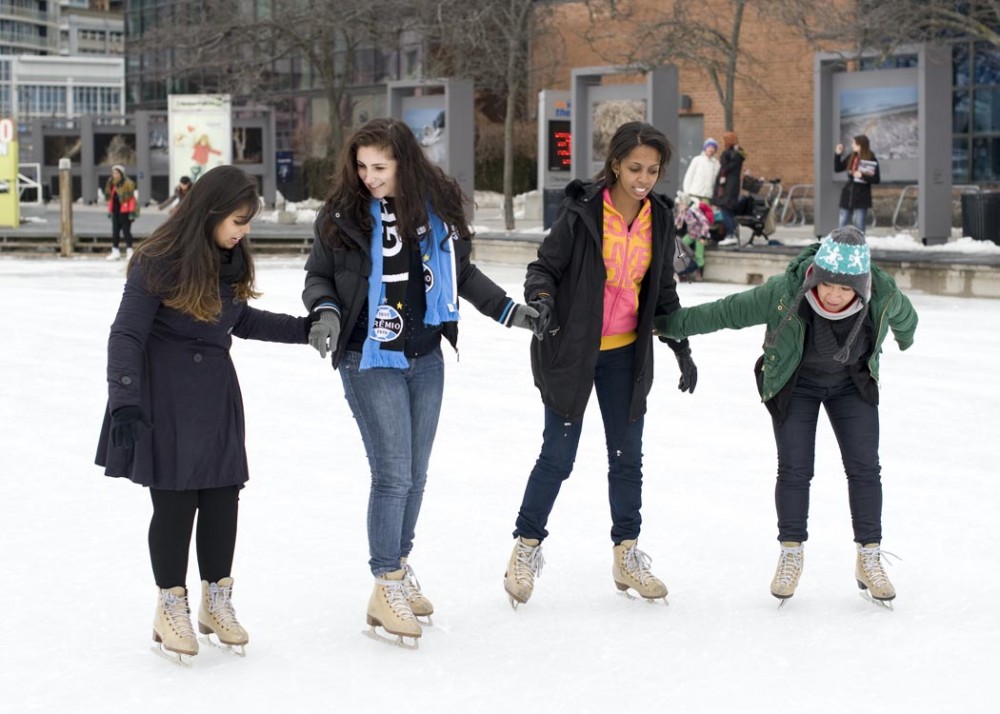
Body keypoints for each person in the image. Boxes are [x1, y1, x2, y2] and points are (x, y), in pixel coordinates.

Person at [301, 117, 538, 647]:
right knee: (392, 474)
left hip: (425, 354)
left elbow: (463, 274)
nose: (368, 177)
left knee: (417, 473)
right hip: (368, 355)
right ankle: (385, 582)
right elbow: (319, 275)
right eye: (361, 167)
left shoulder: (438, 212)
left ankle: (398, 568)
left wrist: (509, 312)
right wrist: (326, 312)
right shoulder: (343, 215)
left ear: (403, 163)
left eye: (379, 167)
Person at [95, 165, 314, 663]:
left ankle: (217, 602)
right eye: (239, 220)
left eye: (247, 221)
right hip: (163, 398)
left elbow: (243, 320)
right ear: (212, 213)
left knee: (222, 499)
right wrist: (124, 399)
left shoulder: (229, 259)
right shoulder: (157, 260)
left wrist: (306, 330)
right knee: (175, 504)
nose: (244, 230)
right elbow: (125, 333)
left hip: (215, 395)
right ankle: (170, 604)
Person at [654, 226, 917, 606]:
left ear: (860, 287)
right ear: (816, 275)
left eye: (845, 290)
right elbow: (725, 312)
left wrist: (904, 339)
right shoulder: (785, 292)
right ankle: (791, 553)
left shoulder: (883, 292)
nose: (834, 295)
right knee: (794, 469)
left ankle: (869, 557)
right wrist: (662, 325)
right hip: (798, 384)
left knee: (864, 469)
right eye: (828, 285)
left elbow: (906, 319)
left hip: (851, 386)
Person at [503, 121, 698, 609]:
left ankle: (626, 555)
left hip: (626, 356)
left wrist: (680, 345)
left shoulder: (659, 217)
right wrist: (542, 300)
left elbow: (663, 290)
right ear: (615, 164)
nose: (644, 178)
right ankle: (525, 549)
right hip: (572, 352)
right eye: (635, 168)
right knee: (558, 455)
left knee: (626, 458)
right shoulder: (583, 211)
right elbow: (543, 268)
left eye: (653, 170)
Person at [835, 135, 880, 232]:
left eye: (854, 143)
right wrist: (838, 154)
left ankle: (859, 245)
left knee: (859, 224)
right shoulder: (852, 157)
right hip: (848, 194)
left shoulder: (871, 159)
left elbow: (876, 179)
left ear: (861, 145)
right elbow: (838, 168)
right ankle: (841, 244)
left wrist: (862, 176)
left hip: (861, 196)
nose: (852, 145)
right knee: (842, 222)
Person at [713, 132, 746, 246]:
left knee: (724, 209)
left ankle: (731, 234)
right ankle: (732, 234)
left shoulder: (729, 154)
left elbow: (725, 167)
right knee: (729, 210)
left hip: (727, 187)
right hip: (733, 186)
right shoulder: (739, 153)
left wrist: (723, 158)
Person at [105, 165, 139, 261]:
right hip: (115, 211)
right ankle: (115, 251)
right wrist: (110, 210)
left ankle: (129, 251)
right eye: (113, 173)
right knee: (115, 232)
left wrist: (132, 212)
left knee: (126, 232)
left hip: (125, 211)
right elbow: (111, 198)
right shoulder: (111, 183)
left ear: (121, 174)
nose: (114, 175)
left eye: (116, 173)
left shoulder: (128, 184)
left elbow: (131, 199)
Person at [682, 138, 720, 202]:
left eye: (713, 147)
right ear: (705, 148)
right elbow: (689, 176)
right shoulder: (697, 160)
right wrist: (687, 192)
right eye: (709, 147)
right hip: (694, 194)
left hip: (707, 196)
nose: (711, 149)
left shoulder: (716, 164)